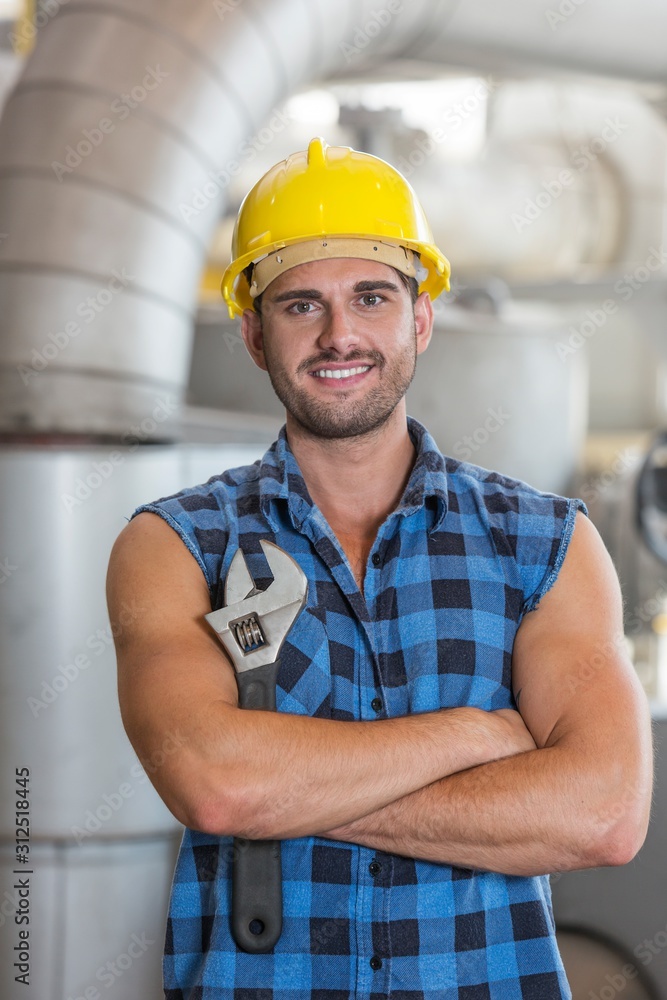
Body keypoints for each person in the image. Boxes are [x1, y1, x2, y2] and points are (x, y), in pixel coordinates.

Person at [107, 137, 653, 999]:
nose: (339, 335)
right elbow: (216, 786)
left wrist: (289, 792)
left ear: (420, 318)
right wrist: (475, 739)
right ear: (253, 333)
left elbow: (603, 814)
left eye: (371, 297)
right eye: (299, 306)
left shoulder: (543, 543)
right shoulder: (176, 545)